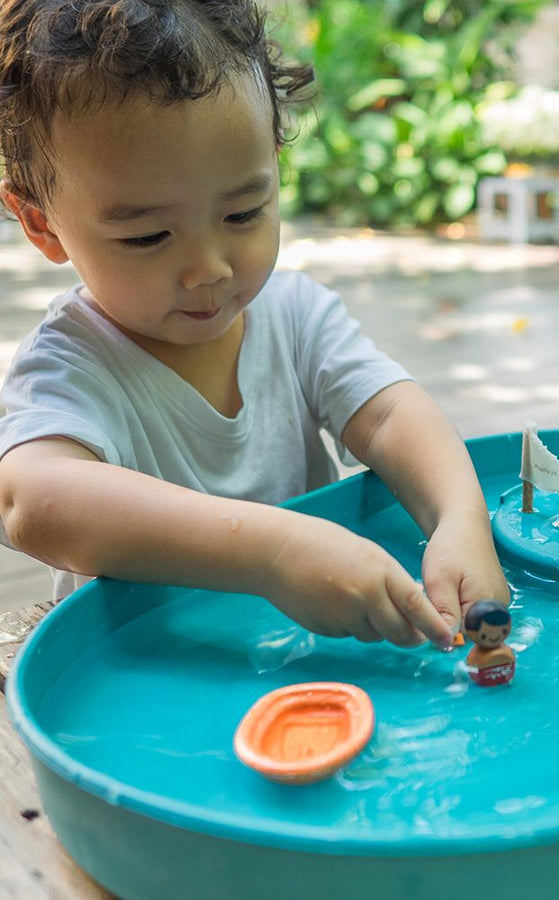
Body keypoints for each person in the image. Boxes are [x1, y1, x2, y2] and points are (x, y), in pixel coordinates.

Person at [0, 0, 509, 649]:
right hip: (167, 690)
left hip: (324, 670)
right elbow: (34, 502)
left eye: (243, 213)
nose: (207, 269)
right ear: (42, 222)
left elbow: (390, 416)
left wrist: (459, 517)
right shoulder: (72, 368)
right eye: (148, 235)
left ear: (273, 158)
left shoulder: (295, 317)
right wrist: (270, 551)